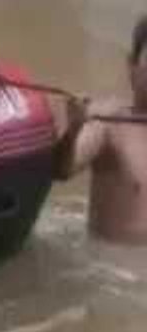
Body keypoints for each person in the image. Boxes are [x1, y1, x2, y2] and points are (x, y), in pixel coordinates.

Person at [55, 15, 147, 244]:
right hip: (112, 265)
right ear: (132, 66)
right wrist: (74, 128)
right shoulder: (107, 121)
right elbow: (61, 170)